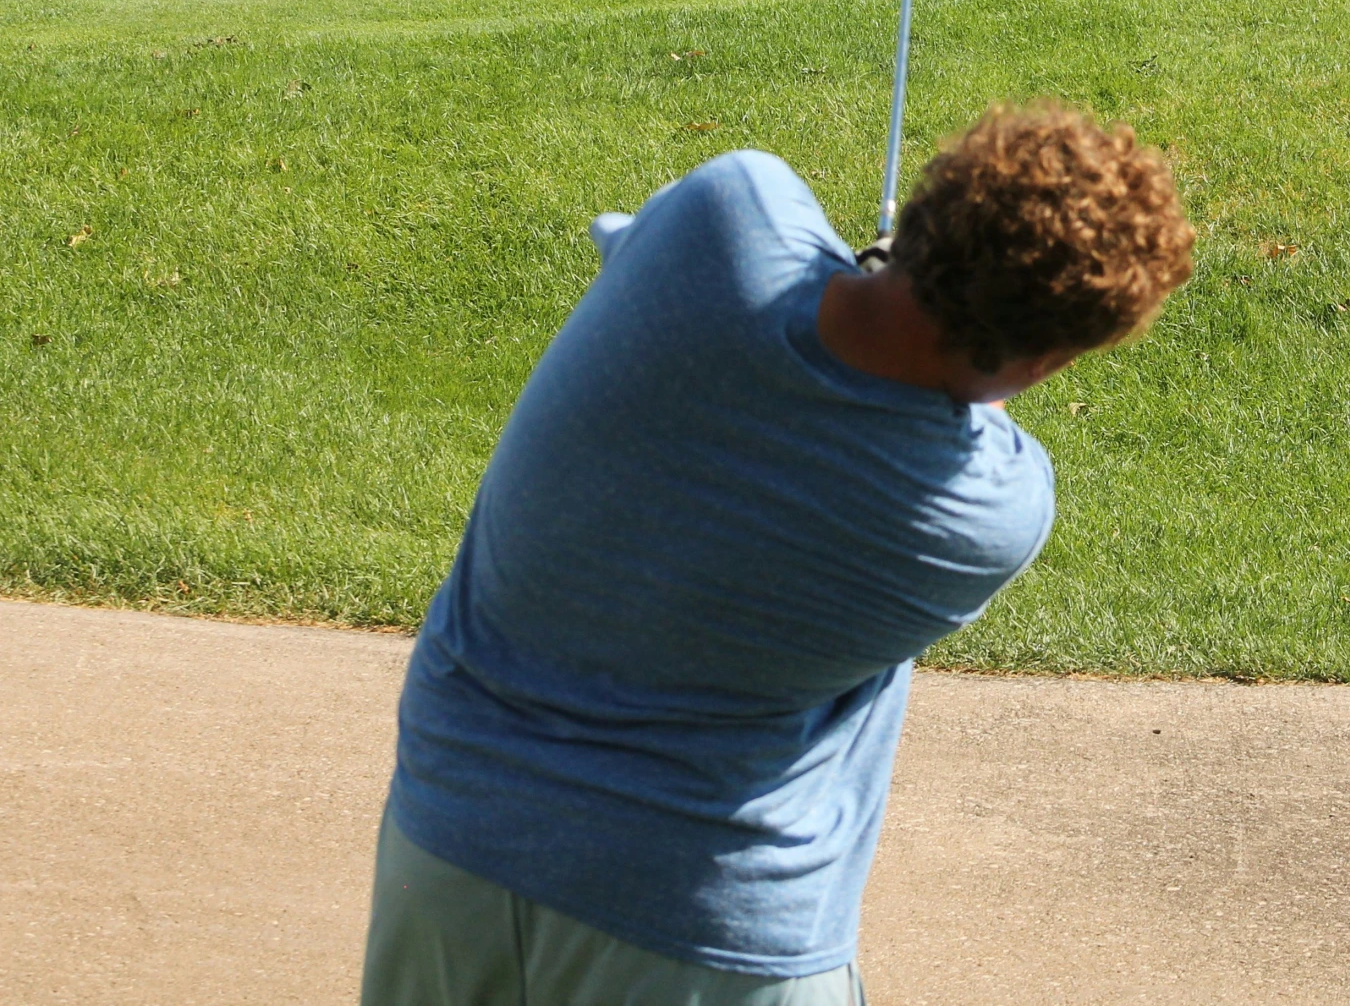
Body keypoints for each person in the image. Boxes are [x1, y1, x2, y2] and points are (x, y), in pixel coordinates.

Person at [362, 102, 1195, 1005]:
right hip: (703, 929)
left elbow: (693, 254)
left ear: (931, 204)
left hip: (452, 841)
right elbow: (967, 404)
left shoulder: (726, 214)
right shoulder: (989, 512)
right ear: (1047, 358)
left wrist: (868, 269)